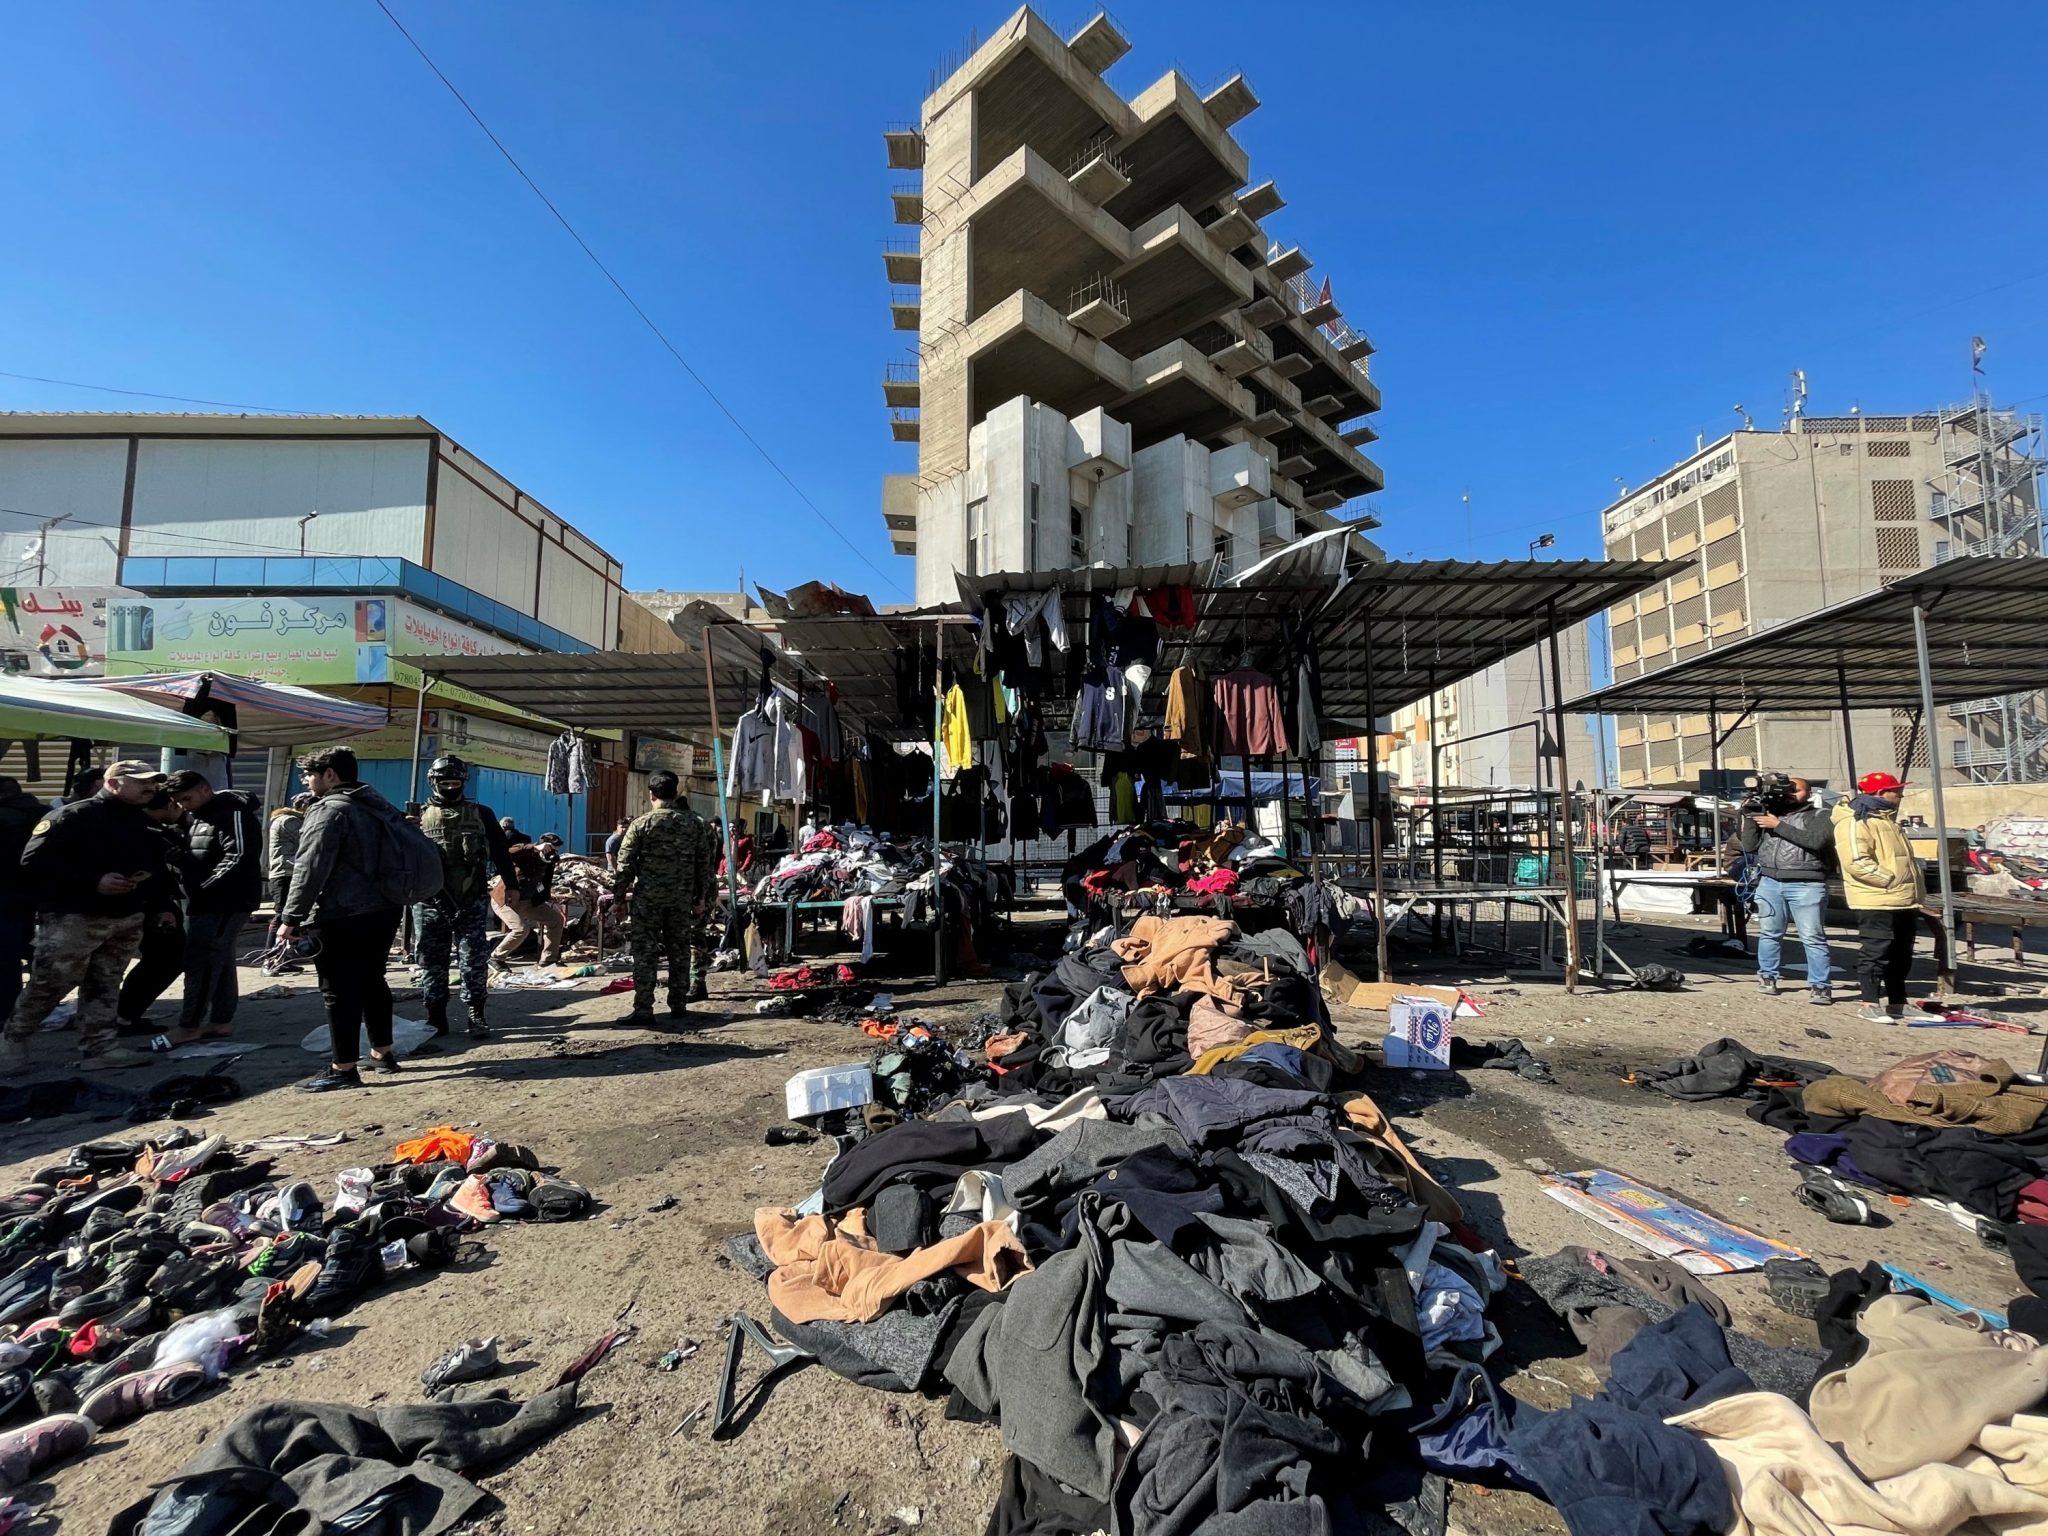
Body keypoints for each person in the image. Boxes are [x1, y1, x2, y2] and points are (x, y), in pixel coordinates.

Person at [1, 761, 178, 1074]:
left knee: (105, 984)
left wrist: (162, 905)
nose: (150, 787)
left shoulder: (144, 822)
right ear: (113, 783)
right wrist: (93, 880)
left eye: (153, 782)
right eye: (140, 781)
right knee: (50, 983)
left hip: (126, 917)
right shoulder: (73, 815)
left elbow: (156, 870)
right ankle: (12, 1041)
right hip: (74, 917)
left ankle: (100, 1047)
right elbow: (34, 860)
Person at [279, 747, 412, 1092]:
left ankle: (343, 1068)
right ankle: (382, 1053)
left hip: (342, 912)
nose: (306, 781)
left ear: (330, 775)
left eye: (310, 775)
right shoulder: (378, 804)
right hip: (385, 909)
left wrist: (291, 916)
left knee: (338, 990)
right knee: (372, 980)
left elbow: (310, 866)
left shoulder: (329, 810)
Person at [413, 754, 514, 1038]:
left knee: (473, 959)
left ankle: (476, 1014)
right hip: (430, 902)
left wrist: (512, 886)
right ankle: (435, 1017)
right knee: (432, 961)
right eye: (444, 782)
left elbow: (500, 851)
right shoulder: (417, 815)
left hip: (470, 899)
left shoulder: (481, 813)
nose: (450, 787)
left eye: (455, 782)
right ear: (433, 782)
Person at [161, 769, 263, 1044]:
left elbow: (239, 855)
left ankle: (190, 1024)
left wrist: (205, 885)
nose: (183, 806)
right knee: (220, 959)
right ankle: (219, 1021)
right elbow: (205, 855)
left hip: (225, 900)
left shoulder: (233, 812)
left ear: (204, 790)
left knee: (203, 961)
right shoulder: (200, 817)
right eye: (178, 802)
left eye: (187, 799)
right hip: (210, 900)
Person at [613, 770, 716, 1022]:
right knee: (679, 951)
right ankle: (678, 1004)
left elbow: (624, 865)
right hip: (681, 900)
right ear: (676, 792)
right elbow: (704, 865)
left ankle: (643, 1009)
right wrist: (701, 898)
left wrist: (618, 898)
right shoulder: (696, 824)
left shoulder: (641, 824)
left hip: (648, 901)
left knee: (645, 953)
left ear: (651, 795)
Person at [1832, 770, 1924, 1024]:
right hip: (1877, 899)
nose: (1901, 795)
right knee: (1876, 952)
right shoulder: (1856, 820)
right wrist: (1890, 880)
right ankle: (1870, 1003)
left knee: (1901, 954)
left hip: (1902, 899)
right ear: (1882, 793)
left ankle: (1898, 1002)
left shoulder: (1886, 819)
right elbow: (1856, 861)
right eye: (1897, 791)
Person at [1738, 775, 1834, 1006]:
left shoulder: (1821, 815)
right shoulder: (1771, 814)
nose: (1790, 793)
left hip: (1807, 884)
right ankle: (1767, 976)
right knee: (1770, 934)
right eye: (1787, 790)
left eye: (1796, 790)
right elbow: (1749, 846)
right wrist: (1750, 816)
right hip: (1770, 881)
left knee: (1812, 937)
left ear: (1809, 794)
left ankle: (1820, 985)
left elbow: (1817, 842)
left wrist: (1778, 826)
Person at [114, 792, 194, 1031]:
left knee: (159, 959)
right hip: (151, 905)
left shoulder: (134, 826)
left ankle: (123, 1014)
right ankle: (124, 1015)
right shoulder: (151, 831)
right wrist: (162, 907)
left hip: (141, 903)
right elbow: (155, 873)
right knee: (167, 959)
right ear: (170, 804)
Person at [0, 776, 49, 1029]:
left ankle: (8, 1011)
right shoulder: (45, 814)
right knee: (32, 951)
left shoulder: (4, 818)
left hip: (5, 893)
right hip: (37, 894)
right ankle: (32, 1006)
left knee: (5, 957)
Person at [493, 842, 564, 969]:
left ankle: (548, 959)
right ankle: (496, 958)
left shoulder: (548, 863)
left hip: (528, 901)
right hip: (506, 900)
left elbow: (544, 885)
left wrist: (549, 901)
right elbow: (507, 852)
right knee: (521, 929)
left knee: (556, 920)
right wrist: (533, 847)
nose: (552, 853)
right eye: (549, 848)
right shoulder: (526, 854)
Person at [266, 792, 311, 941]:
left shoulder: (288, 819)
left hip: (286, 873)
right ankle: (271, 952)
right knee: (283, 915)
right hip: (285, 873)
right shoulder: (289, 821)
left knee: (289, 915)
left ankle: (284, 950)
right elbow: (308, 840)